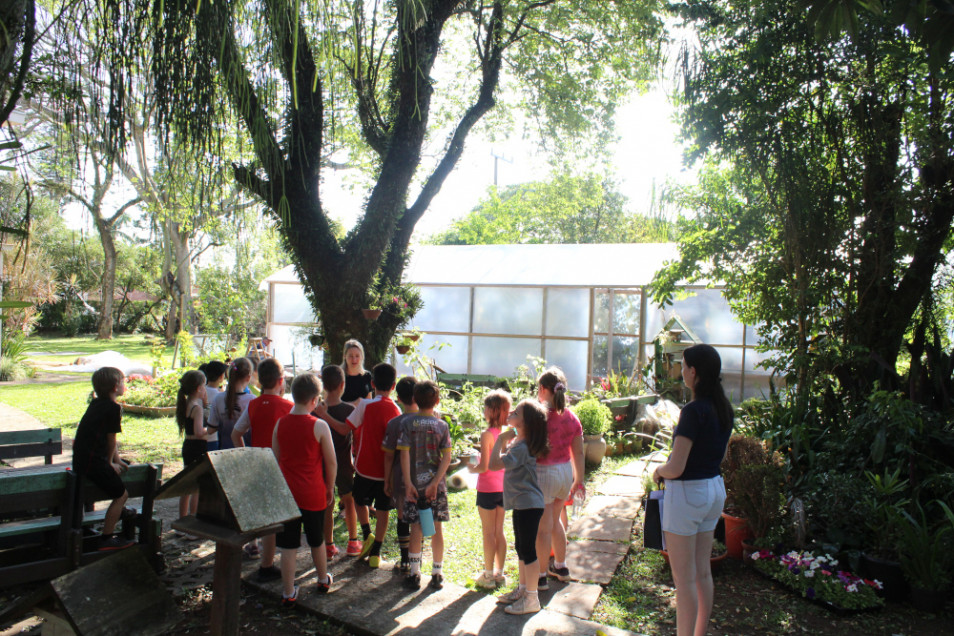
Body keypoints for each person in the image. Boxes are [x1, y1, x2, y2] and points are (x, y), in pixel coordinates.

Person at [652, 344, 733, 636]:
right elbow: (720, 457)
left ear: (694, 372)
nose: (681, 371)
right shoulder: (723, 408)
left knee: (683, 579)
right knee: (702, 571)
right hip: (714, 490)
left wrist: (658, 471)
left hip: (688, 495)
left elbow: (677, 467)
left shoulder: (693, 411)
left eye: (683, 365)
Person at [272, 373, 337, 607]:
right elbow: (331, 462)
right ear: (315, 399)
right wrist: (330, 486)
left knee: (288, 545)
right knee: (317, 539)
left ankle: (288, 592)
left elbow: (275, 458)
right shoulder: (320, 425)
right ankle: (322, 579)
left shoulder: (281, 423)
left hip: (287, 494)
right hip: (313, 493)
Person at [231, 358, 294, 580]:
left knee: (264, 515)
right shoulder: (289, 407)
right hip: (280, 468)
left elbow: (236, 433)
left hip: (258, 465)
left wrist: (246, 456)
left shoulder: (253, 404)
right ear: (280, 381)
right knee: (274, 520)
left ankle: (260, 554)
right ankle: (267, 565)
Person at [489, 399, 549, 615]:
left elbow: (493, 464)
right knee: (522, 549)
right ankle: (523, 590)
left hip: (529, 505)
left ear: (524, 422)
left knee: (528, 551)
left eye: (516, 412)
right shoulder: (520, 444)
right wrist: (506, 441)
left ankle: (531, 599)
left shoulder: (522, 447)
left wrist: (499, 440)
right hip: (523, 504)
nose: (511, 412)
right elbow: (505, 461)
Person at [72, 366, 134, 551]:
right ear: (115, 386)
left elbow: (107, 436)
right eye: (122, 381)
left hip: (82, 460)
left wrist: (117, 459)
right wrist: (109, 462)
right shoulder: (113, 408)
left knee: (120, 482)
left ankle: (119, 513)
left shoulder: (96, 403)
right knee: (122, 494)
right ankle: (107, 538)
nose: (124, 385)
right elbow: (111, 438)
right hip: (94, 463)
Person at [398, 380, 452, 590]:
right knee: (436, 528)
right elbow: (446, 459)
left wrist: (408, 483)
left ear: (414, 400)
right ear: (437, 401)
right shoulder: (442, 425)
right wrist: (435, 483)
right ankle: (437, 573)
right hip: (435, 488)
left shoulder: (407, 424)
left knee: (416, 530)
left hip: (413, 488)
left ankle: (414, 574)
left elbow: (404, 455)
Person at [347, 362, 401, 568]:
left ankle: (366, 533)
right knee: (383, 510)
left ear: (371, 384)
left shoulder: (364, 405)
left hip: (364, 467)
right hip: (385, 472)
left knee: (358, 500)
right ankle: (377, 551)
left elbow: (349, 425)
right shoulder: (396, 410)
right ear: (394, 386)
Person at [534, 367, 584, 588]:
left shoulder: (539, 417)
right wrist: (579, 480)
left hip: (545, 474)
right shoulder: (572, 418)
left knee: (543, 528)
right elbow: (579, 453)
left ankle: (541, 574)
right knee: (556, 521)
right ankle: (561, 566)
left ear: (544, 389)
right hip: (565, 473)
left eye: (538, 388)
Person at [313, 364, 360, 558]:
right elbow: (347, 431)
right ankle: (352, 542)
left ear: (323, 385)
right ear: (343, 385)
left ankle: (329, 544)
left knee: (328, 504)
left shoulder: (315, 411)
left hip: (322, 464)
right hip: (342, 464)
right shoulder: (349, 409)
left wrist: (323, 415)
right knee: (348, 501)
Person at [468, 388, 510, 589]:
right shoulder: (508, 433)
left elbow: (484, 466)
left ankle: (487, 575)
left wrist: (470, 468)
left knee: (488, 533)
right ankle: (500, 573)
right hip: (504, 489)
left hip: (487, 490)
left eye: (485, 407)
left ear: (492, 411)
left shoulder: (487, 435)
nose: (483, 410)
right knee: (499, 531)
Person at [381, 376, 418, 573]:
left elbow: (388, 456)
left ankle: (404, 558)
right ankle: (417, 560)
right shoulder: (431, 420)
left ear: (398, 397)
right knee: (421, 517)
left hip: (401, 477)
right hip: (424, 477)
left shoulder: (395, 423)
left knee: (402, 515)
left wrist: (386, 480)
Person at [176, 370, 211, 523]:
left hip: (188, 446)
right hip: (197, 446)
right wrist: (210, 430)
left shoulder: (186, 404)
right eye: (204, 386)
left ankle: (182, 519)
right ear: (198, 388)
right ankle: (193, 521)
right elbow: (198, 432)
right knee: (197, 488)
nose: (205, 389)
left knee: (186, 487)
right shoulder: (197, 408)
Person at [209, 357, 254, 450]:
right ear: (248, 377)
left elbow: (210, 429)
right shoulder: (252, 400)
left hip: (224, 453)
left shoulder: (218, 398)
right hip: (247, 454)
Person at [199, 361, 228, 451]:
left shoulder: (200, 391)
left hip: (200, 438)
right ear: (221, 377)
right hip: (214, 438)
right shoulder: (220, 396)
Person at [341, 339, 372, 405]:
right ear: (344, 356)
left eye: (357, 356)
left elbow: (369, 402)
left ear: (362, 357)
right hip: (342, 415)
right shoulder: (338, 375)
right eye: (350, 356)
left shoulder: (367, 375)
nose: (354, 359)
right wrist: (353, 404)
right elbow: (331, 403)